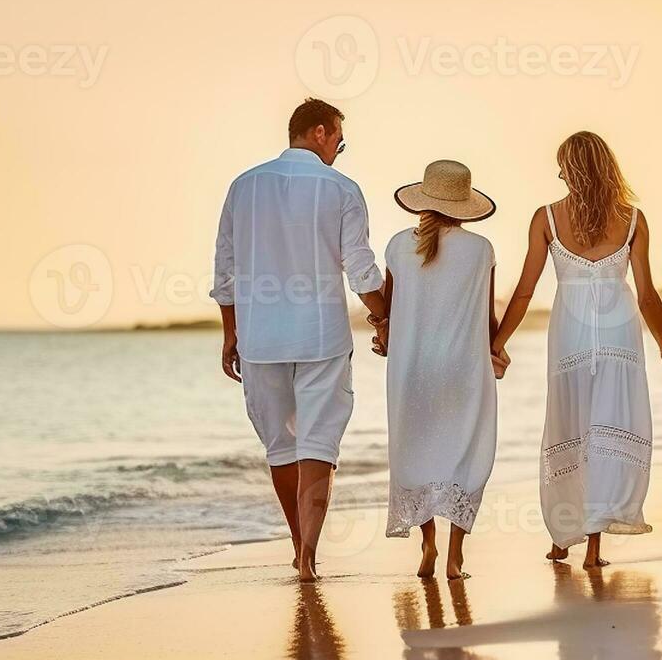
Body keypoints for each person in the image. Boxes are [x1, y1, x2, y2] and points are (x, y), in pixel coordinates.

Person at [491, 131, 662, 569]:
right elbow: (647, 295)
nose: (558, 171)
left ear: (575, 168)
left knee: (570, 427)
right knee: (606, 429)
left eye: (562, 164)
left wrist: (497, 343)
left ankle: (564, 537)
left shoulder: (546, 217)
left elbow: (524, 291)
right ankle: (592, 548)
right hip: (620, 342)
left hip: (570, 341)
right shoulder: (632, 219)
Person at [211, 98, 387, 583]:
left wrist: (232, 333)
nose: (338, 151)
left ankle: (296, 545)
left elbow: (224, 269)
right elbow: (361, 266)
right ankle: (309, 553)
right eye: (338, 141)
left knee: (280, 447)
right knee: (319, 445)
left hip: (261, 338)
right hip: (322, 337)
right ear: (319, 132)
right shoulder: (341, 188)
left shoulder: (243, 187)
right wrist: (384, 318)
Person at [374, 160, 502, 581]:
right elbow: (486, 315)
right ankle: (455, 557)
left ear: (422, 201)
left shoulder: (396, 246)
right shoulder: (481, 249)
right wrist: (499, 349)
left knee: (417, 452)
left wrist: (384, 336)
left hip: (411, 370)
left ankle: (427, 542)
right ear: (464, 204)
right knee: (466, 452)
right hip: (464, 368)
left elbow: (389, 313)